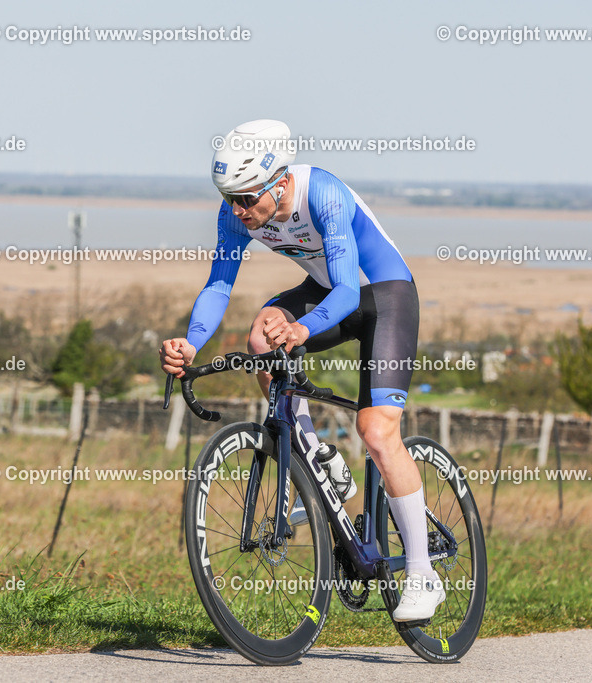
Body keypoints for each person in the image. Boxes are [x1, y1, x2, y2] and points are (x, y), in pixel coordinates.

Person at [159, 119, 443, 621]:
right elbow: (219, 285)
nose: (240, 212)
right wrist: (191, 342)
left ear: (282, 181)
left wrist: (305, 330)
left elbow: (350, 292)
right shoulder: (237, 212)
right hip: (329, 293)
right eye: (231, 200)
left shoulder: (324, 194)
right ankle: (316, 456)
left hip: (384, 295)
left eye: (248, 199)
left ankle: (423, 573)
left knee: (376, 432)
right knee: (260, 334)